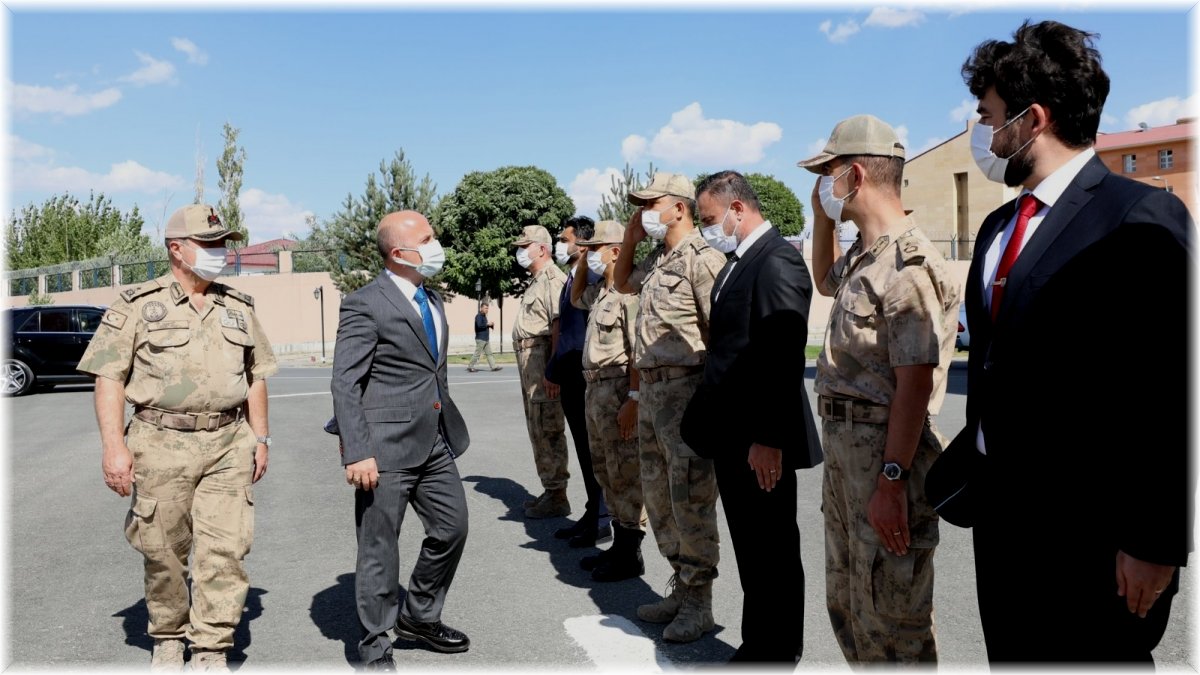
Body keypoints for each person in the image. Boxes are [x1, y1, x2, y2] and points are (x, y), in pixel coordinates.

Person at [931, 20, 1193, 663]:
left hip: (1092, 535)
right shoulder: (998, 225)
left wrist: (1154, 541)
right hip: (1004, 519)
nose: (982, 134)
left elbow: (1170, 388)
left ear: (1033, 119)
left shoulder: (1138, 216)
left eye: (989, 116)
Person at [77, 204, 277, 672]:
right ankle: (168, 635)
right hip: (160, 441)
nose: (220, 252)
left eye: (223, 243)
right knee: (163, 550)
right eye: (208, 244)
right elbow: (107, 377)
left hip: (229, 442)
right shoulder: (136, 305)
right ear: (176, 248)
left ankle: (211, 646)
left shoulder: (238, 307)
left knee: (225, 549)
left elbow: (256, 377)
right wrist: (113, 448)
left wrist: (261, 437)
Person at [798, 114, 960, 664]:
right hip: (849, 451)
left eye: (827, 173)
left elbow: (914, 384)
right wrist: (821, 218)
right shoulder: (866, 256)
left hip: (886, 457)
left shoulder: (908, 262)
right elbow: (823, 279)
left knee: (894, 614)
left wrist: (891, 480)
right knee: (849, 600)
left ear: (856, 174)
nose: (823, 184)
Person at [681, 171, 823, 663]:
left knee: (773, 550)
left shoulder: (776, 260)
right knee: (752, 549)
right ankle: (758, 643)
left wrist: (769, 437)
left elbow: (782, 355)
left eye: (710, 219)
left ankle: (778, 652)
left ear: (738, 209)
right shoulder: (737, 263)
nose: (706, 230)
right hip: (733, 435)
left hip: (760, 440)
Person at [330, 210, 472, 670]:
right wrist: (358, 449)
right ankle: (375, 643)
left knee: (452, 528)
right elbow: (345, 382)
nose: (436, 244)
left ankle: (419, 617)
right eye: (427, 238)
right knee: (379, 547)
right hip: (383, 447)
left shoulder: (432, 297)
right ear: (399, 253)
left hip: (433, 439)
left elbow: (433, 370)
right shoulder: (365, 303)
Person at [613, 172, 724, 643]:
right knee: (659, 499)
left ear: (679, 208)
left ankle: (700, 602)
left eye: (650, 204)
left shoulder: (704, 259)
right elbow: (621, 283)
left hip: (686, 391)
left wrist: (712, 403)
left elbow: (722, 336)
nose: (643, 212)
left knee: (691, 499)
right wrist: (631, 237)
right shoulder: (659, 260)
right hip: (654, 392)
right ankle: (681, 586)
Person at [570, 220, 647, 582]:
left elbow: (637, 351)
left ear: (616, 250)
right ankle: (618, 545)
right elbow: (574, 296)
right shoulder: (602, 291)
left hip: (617, 388)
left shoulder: (629, 294)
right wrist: (586, 259)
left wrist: (633, 398)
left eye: (597, 247)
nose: (591, 253)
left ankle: (630, 552)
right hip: (595, 389)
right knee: (605, 470)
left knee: (625, 471)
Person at [548, 216, 612, 547]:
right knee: (584, 449)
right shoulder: (573, 277)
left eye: (564, 238)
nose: (560, 243)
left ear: (582, 242)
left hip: (587, 375)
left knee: (594, 449)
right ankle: (592, 511)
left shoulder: (594, 277)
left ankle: (602, 517)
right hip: (571, 373)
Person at [510, 225, 571, 519]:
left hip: (542, 363)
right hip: (529, 364)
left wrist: (553, 369)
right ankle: (550, 489)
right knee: (537, 428)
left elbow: (558, 325)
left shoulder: (553, 280)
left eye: (526, 246)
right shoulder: (535, 281)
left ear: (542, 249)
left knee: (548, 429)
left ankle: (558, 494)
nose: (521, 251)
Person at [466, 303, 500, 372]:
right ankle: (470, 366)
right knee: (477, 353)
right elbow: (479, 325)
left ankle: (493, 366)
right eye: (485, 308)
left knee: (489, 353)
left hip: (486, 338)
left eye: (487, 308)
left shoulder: (484, 316)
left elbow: (485, 326)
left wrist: (491, 325)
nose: (487, 310)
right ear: (481, 308)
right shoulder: (478, 316)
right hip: (481, 338)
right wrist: (487, 324)